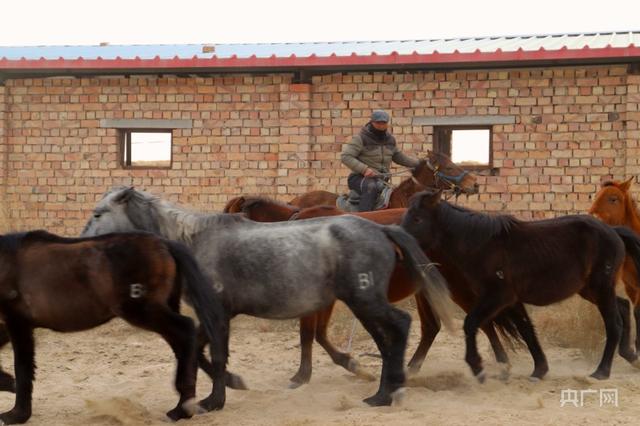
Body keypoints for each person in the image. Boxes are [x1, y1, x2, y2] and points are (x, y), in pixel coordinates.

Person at [341, 110, 420, 211]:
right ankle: (363, 219)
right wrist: (365, 169)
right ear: (372, 122)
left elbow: (400, 157)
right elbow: (346, 156)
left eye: (384, 123)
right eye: (378, 123)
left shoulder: (390, 140)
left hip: (381, 180)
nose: (381, 125)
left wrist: (420, 163)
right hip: (359, 178)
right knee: (371, 187)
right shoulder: (360, 138)